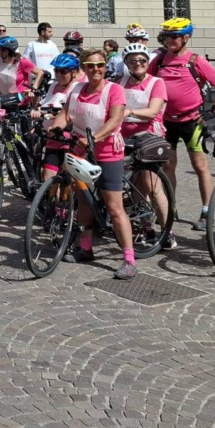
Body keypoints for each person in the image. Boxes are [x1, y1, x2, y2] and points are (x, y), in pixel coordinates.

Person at [53, 47, 135, 279]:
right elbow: (66, 114)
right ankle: (85, 248)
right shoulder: (77, 88)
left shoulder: (114, 90)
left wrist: (92, 140)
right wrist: (56, 126)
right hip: (80, 151)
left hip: (107, 151)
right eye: (90, 65)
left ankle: (129, 259)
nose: (95, 69)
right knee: (84, 201)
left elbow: (115, 119)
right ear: (83, 68)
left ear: (105, 66)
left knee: (114, 207)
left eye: (99, 65)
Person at [149, 18, 215, 236]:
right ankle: (170, 207)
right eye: (166, 36)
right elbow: (147, 81)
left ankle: (206, 212)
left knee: (200, 166)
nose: (169, 40)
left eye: (174, 36)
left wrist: (213, 111)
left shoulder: (195, 60)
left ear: (186, 37)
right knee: (168, 165)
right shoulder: (159, 61)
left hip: (191, 121)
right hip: (167, 121)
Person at [117, 42, 169, 247]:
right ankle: (146, 228)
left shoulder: (156, 82)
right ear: (126, 63)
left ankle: (167, 230)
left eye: (142, 60)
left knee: (151, 185)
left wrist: (128, 112)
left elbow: (153, 111)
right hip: (124, 136)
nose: (137, 63)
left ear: (148, 62)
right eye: (132, 61)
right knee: (135, 186)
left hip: (148, 135)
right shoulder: (120, 82)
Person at [37, 52, 83, 180]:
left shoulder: (77, 88)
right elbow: (44, 103)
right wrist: (36, 110)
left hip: (69, 140)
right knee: (48, 177)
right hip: (53, 137)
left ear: (73, 72)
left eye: (63, 72)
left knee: (69, 179)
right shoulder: (53, 86)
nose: (58, 75)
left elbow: (73, 112)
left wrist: (51, 114)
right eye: (56, 71)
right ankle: (52, 200)